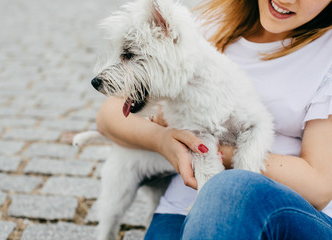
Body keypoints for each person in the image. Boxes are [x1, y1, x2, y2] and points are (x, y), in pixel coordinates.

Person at [96, 0, 332, 239]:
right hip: (182, 206)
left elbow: (319, 187)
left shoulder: (327, 55)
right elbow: (108, 117)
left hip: (285, 210)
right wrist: (163, 140)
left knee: (227, 188)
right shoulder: (206, 25)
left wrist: (210, 151)